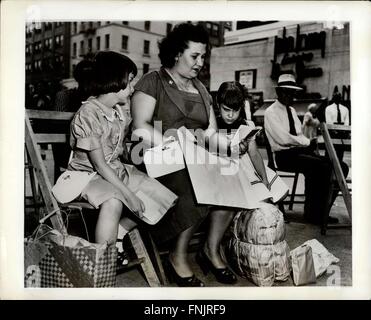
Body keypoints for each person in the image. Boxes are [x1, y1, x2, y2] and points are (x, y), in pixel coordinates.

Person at [131, 23, 242, 286]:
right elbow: (140, 127)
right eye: (195, 56)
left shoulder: (201, 89)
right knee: (193, 181)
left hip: (195, 157)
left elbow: (211, 132)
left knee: (230, 174)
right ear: (176, 53)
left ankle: (211, 251)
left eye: (203, 56)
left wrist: (229, 147)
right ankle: (177, 257)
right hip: (158, 156)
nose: (200, 63)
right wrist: (179, 146)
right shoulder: (152, 82)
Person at [63, 51, 177, 257]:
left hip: (115, 170)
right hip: (87, 176)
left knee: (162, 196)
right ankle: (105, 258)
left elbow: (122, 147)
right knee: (115, 199)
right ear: (114, 80)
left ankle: (118, 233)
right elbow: (99, 165)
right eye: (130, 81)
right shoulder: (88, 113)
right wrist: (129, 194)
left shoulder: (117, 112)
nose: (133, 88)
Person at [264, 73, 349, 225]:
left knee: (339, 167)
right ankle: (313, 214)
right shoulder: (270, 112)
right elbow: (283, 139)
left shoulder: (292, 111)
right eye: (287, 92)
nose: (290, 96)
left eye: (292, 92)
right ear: (278, 92)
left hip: (299, 152)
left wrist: (308, 142)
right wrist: (307, 142)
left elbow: (299, 135)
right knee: (321, 167)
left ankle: (321, 211)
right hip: (284, 156)